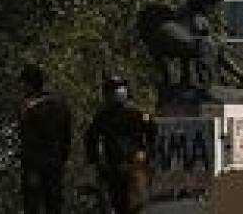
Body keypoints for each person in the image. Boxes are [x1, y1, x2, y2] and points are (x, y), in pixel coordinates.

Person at [83, 75, 154, 214]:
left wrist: (147, 151)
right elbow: (91, 138)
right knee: (118, 200)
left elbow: (152, 128)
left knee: (135, 200)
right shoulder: (103, 116)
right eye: (111, 90)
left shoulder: (136, 113)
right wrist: (95, 161)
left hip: (134, 164)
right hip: (113, 165)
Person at [18, 64, 72, 214]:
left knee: (32, 206)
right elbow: (67, 136)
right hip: (55, 162)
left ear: (29, 84)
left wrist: (28, 165)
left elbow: (27, 140)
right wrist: (62, 158)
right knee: (54, 205)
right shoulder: (60, 103)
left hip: (35, 165)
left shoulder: (29, 107)